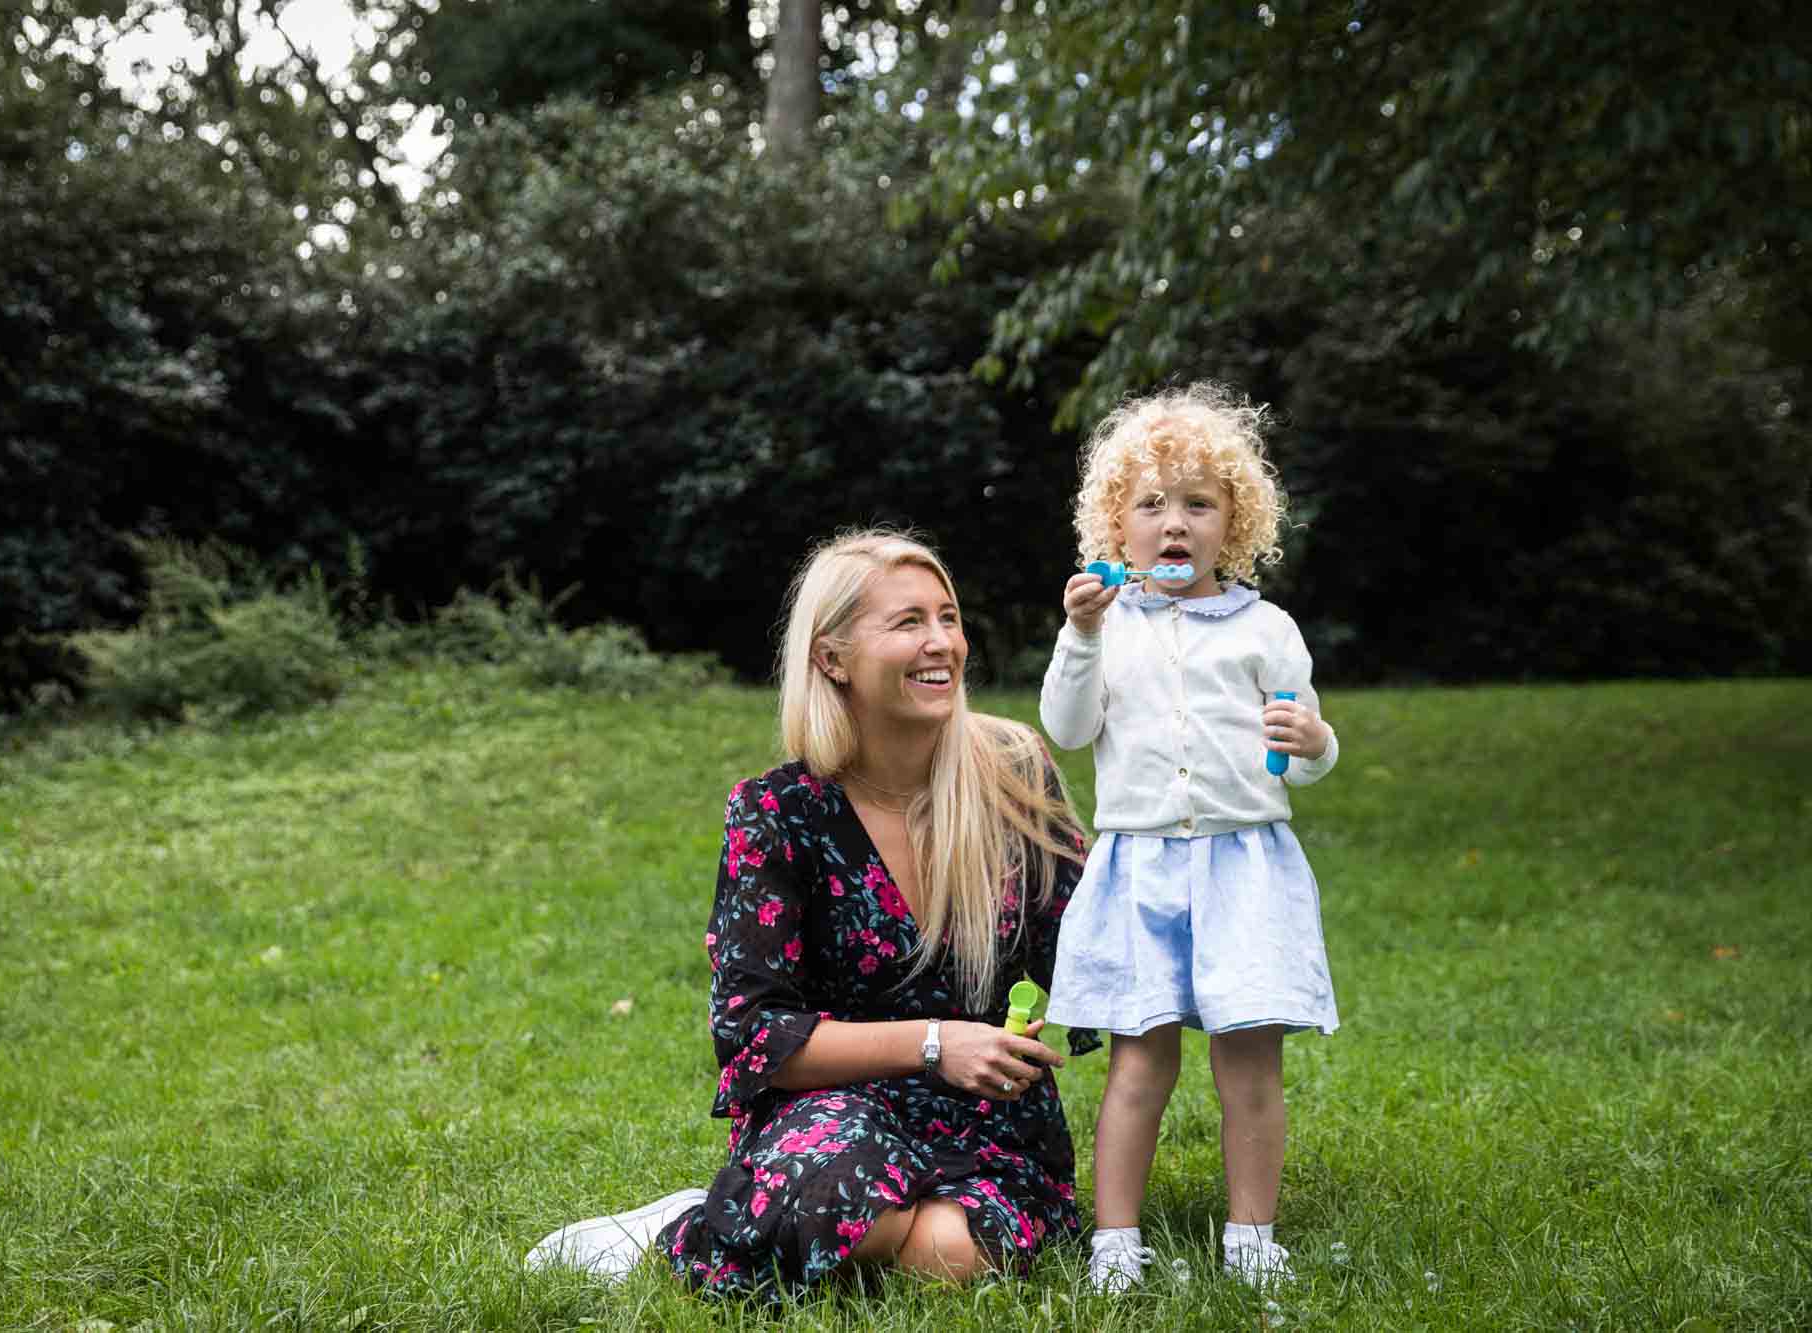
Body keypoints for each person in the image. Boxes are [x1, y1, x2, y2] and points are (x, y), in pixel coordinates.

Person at [525, 528, 1101, 1298]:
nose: (942, 644)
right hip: (832, 1104)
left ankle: (761, 1213)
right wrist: (936, 1042)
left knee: (949, 1257)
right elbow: (756, 1034)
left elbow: (1093, 944)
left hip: (986, 1110)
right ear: (831, 658)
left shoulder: (1012, 772)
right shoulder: (776, 812)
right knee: (849, 1205)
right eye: (908, 623)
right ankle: (699, 1220)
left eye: (948, 617)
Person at [1038, 382, 1340, 1293]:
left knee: (1249, 1058)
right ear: (1115, 526)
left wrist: (1316, 745)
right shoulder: (1104, 627)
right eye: (1152, 505)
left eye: (1199, 505)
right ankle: (1115, 1245)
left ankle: (1251, 1239)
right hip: (1140, 864)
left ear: (1234, 524)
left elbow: (1306, 743)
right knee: (1140, 1056)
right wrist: (1081, 634)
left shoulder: (1266, 628)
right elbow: (1066, 725)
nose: (1175, 524)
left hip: (1245, 862)